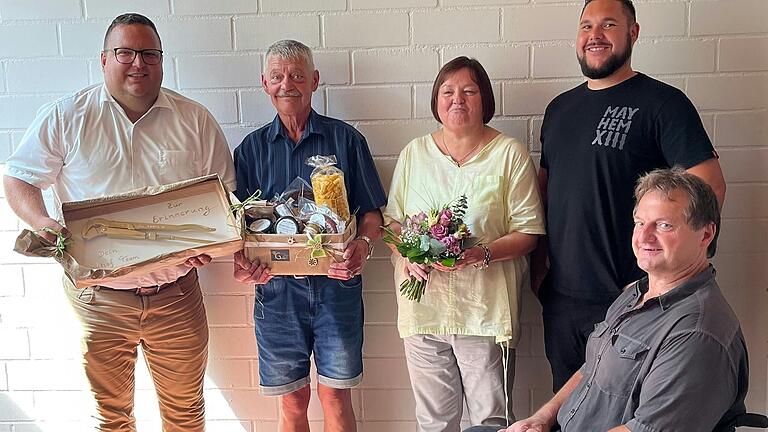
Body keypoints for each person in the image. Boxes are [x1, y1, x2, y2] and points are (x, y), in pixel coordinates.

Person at [2, 13, 235, 432]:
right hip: (99, 302)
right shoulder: (66, 116)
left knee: (186, 415)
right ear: (104, 59)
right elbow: (18, 176)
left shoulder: (195, 120)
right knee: (111, 419)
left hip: (176, 296)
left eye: (149, 53)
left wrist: (213, 244)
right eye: (125, 52)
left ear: (162, 60)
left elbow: (224, 196)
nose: (138, 63)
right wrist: (41, 221)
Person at [532, 0, 727, 391]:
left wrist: (659, 281)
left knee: (629, 411)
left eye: (608, 25)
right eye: (586, 27)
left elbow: (710, 187)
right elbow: (545, 195)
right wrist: (539, 273)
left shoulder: (664, 104)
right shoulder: (558, 109)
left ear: (632, 33)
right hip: (563, 301)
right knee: (568, 411)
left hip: (634, 298)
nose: (595, 35)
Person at [498, 167, 748, 432]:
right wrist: (542, 418)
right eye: (640, 222)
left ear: (706, 235)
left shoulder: (697, 333)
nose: (644, 236)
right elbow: (592, 368)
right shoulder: (635, 293)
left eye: (664, 225)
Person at [383, 56, 546, 432]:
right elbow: (391, 224)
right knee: (434, 422)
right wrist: (408, 255)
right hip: (422, 312)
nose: (458, 99)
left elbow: (530, 232)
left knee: (491, 421)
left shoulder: (510, 155)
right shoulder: (414, 154)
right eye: (448, 91)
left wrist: (481, 254)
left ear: (485, 99)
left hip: (484, 313)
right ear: (436, 100)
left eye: (469, 91)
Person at [231, 39, 386, 432]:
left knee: (335, 395)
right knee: (293, 400)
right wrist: (242, 262)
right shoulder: (250, 150)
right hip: (277, 293)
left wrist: (363, 248)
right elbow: (237, 228)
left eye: (298, 75)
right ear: (264, 84)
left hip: (337, 288)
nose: (288, 84)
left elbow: (371, 214)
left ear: (314, 80)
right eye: (278, 76)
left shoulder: (346, 140)